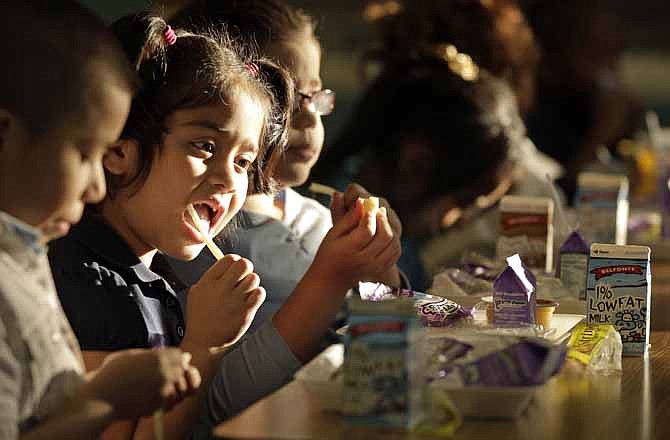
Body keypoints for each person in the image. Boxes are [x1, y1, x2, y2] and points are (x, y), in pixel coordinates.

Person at [48, 9, 398, 438]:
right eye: (204, 145)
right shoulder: (85, 282)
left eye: (243, 161)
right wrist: (204, 344)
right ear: (120, 151)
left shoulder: (151, 274)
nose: (229, 178)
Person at [0, 1, 200, 438]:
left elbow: (36, 412)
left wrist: (104, 387)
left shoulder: (26, 256)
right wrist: (105, 400)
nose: (96, 188)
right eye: (85, 153)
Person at [168, 0, 405, 335]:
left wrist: (380, 266)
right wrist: (331, 277)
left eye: (315, 96)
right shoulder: (198, 242)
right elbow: (225, 381)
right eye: (285, 97)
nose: (308, 118)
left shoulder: (318, 217)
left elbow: (386, 338)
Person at [315, 42, 558, 280]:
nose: (460, 220)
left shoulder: (402, 241)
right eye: (463, 202)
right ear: (417, 164)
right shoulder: (334, 226)